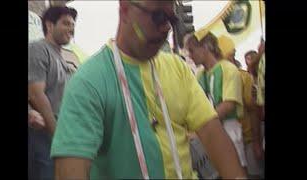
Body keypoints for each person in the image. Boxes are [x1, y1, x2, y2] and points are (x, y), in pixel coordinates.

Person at [51, 1, 246, 179]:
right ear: (125, 10)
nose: (166, 27)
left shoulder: (177, 69)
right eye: (158, 16)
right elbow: (70, 168)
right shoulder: (89, 81)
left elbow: (212, 133)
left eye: (171, 19)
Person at [184, 29, 247, 171]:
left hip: (229, 129)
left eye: (192, 50)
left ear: (205, 47)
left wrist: (201, 126)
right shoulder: (199, 75)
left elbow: (228, 104)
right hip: (208, 133)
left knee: (235, 170)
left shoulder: (228, 69)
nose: (190, 55)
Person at [28, 6, 77, 180]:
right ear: (49, 25)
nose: (71, 29)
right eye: (66, 23)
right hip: (42, 135)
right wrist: (56, 134)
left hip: (57, 135)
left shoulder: (61, 57)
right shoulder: (38, 49)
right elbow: (36, 94)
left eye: (73, 25)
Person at [218, 35, 264, 178]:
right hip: (229, 142)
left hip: (248, 139)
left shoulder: (243, 77)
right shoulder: (210, 77)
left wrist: (256, 143)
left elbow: (254, 110)